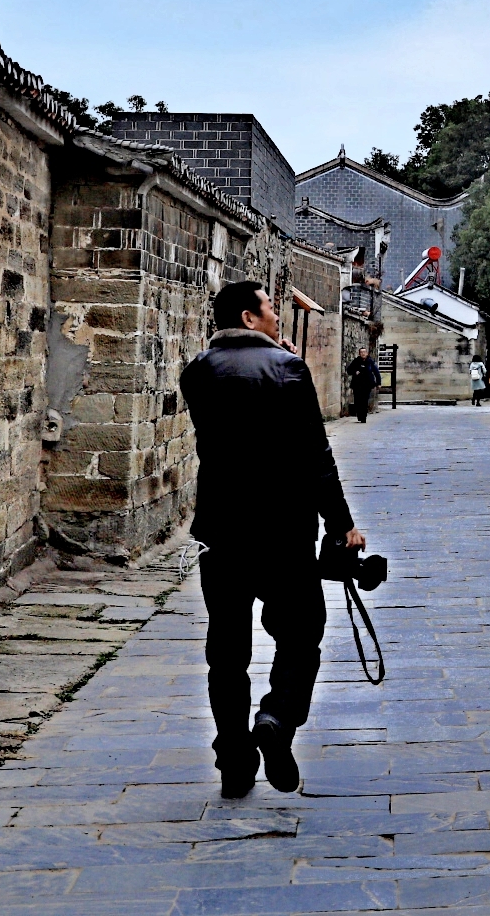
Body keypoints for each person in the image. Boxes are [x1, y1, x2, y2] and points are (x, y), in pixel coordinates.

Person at [179, 281, 363, 798]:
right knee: (302, 636)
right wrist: (341, 524)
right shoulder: (288, 369)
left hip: (222, 533)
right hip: (285, 532)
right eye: (271, 309)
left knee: (227, 653)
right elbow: (315, 456)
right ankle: (278, 719)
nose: (279, 317)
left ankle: (234, 762)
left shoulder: (197, 371)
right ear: (249, 315)